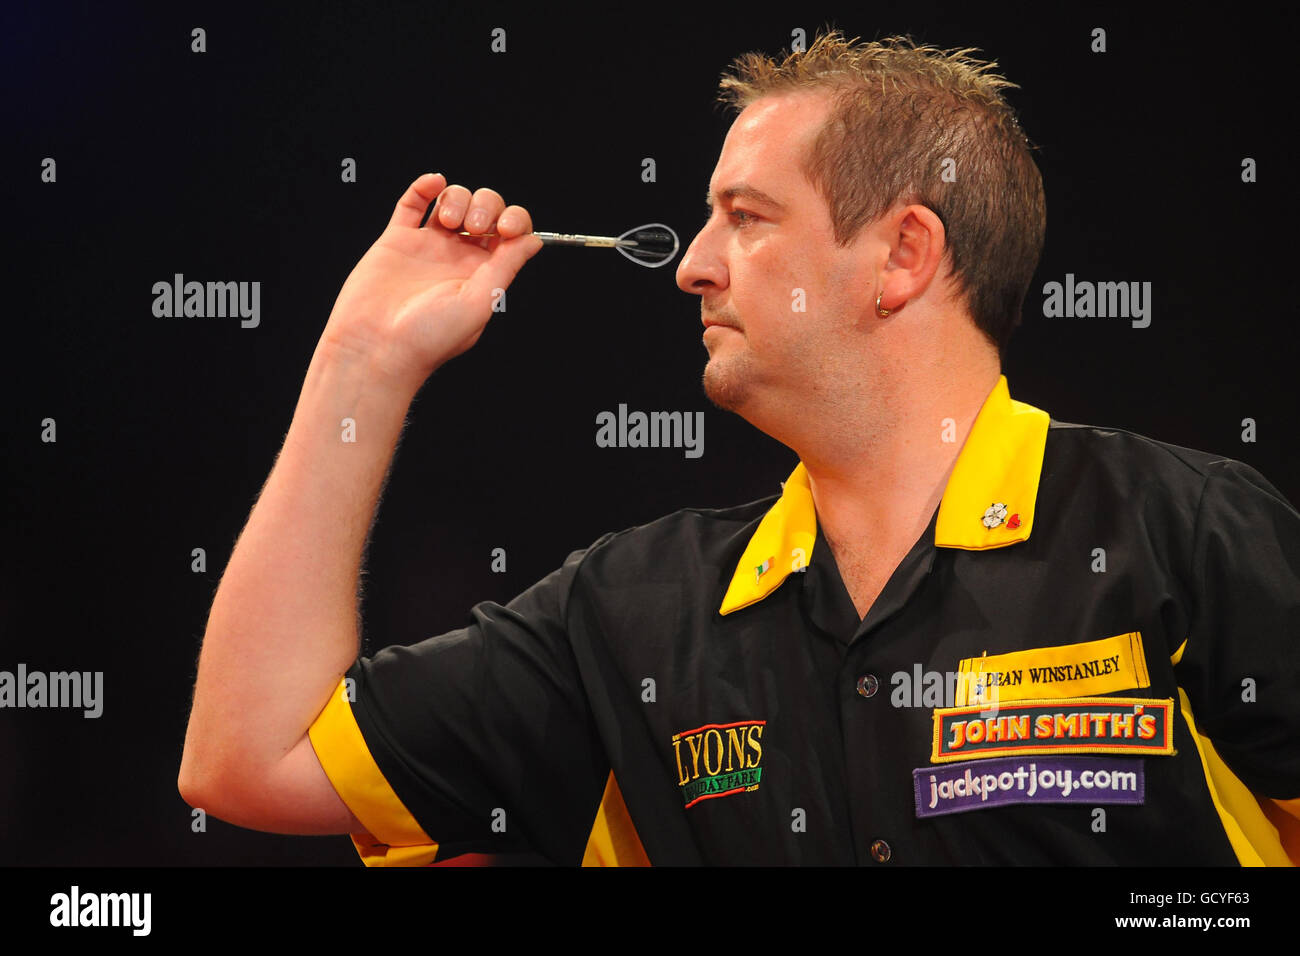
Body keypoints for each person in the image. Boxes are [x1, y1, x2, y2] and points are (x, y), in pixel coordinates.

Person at [178, 31, 1300, 865]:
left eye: (747, 217)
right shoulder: (626, 614)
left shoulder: (1182, 531)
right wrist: (362, 360)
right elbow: (245, 756)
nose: (693, 265)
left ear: (902, 253)